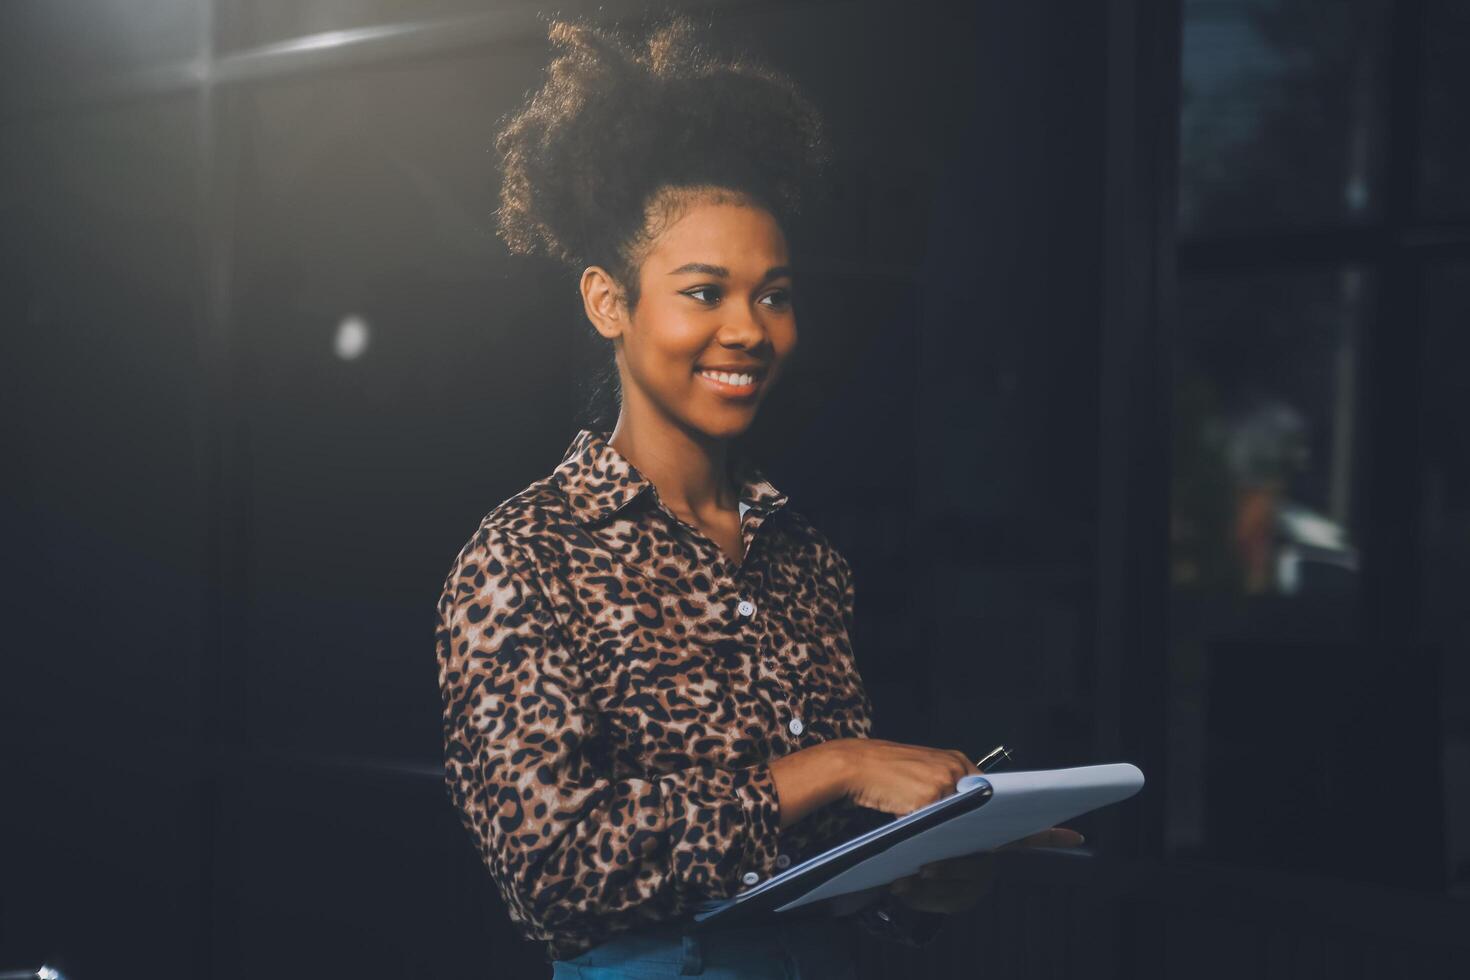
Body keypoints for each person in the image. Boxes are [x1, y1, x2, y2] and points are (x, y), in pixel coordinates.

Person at [435, 15, 1081, 978]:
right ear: (609, 302)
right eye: (704, 292)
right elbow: (555, 873)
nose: (749, 329)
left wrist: (919, 887)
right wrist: (842, 764)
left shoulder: (805, 561)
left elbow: (815, 873)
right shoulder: (525, 556)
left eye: (773, 295)